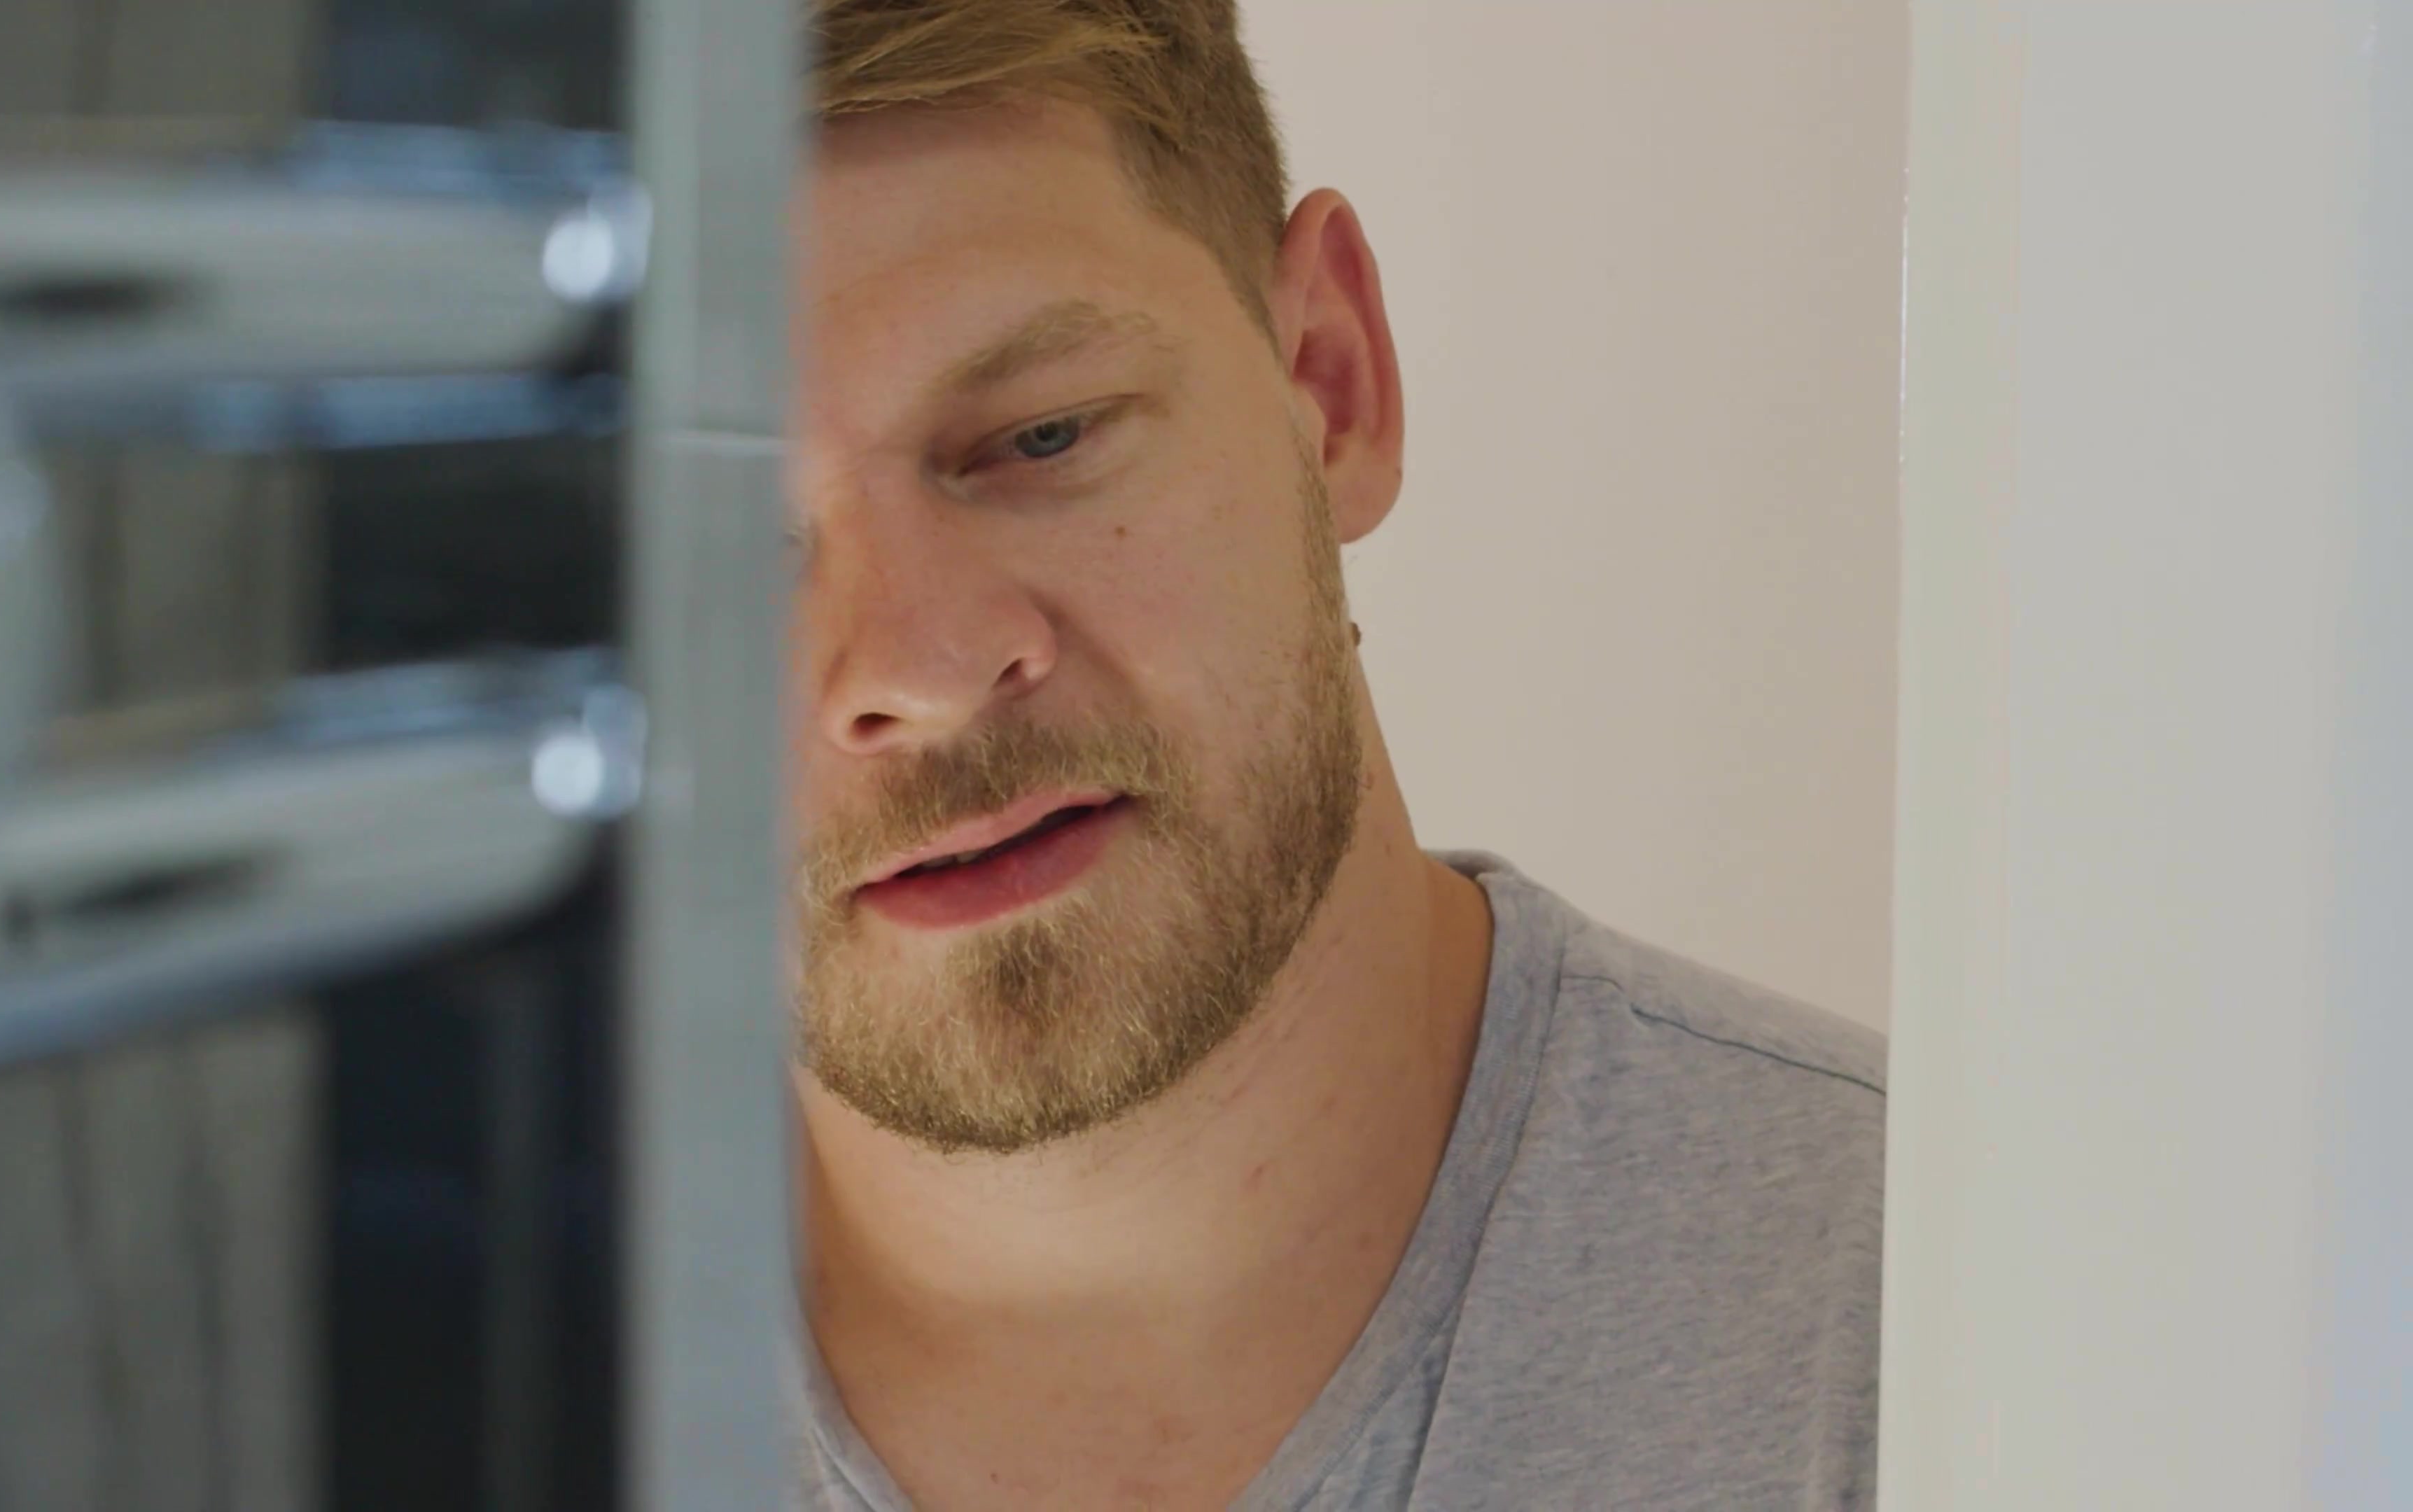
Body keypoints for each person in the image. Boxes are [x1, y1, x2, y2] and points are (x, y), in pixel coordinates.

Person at [785, 3, 1884, 1506]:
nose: (914, 673)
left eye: (1044, 436)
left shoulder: (1981, 1334)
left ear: (1331, 381)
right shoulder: (454, 1393)